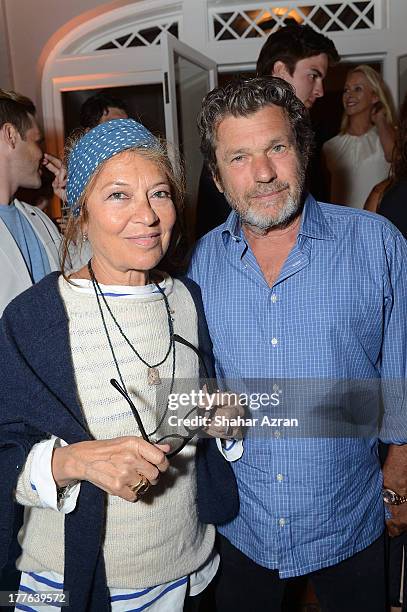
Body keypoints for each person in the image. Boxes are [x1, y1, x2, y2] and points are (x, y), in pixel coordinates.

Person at [188, 77, 407, 612]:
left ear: (303, 151)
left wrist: (398, 483)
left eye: (277, 148)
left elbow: (401, 373)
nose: (262, 173)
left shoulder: (376, 244)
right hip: (242, 527)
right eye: (239, 157)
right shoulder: (198, 263)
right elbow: (194, 388)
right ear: (217, 177)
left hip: (349, 519)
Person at [0, 119, 237, 611]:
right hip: (80, 581)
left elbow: (186, 411)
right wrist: (73, 461)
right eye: (118, 196)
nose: (148, 216)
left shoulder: (186, 299)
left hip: (189, 570)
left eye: (159, 194)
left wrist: (219, 421)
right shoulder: (35, 318)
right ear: (80, 213)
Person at [195, 23, 339, 238]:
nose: (320, 91)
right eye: (313, 75)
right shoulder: (223, 132)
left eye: (278, 148)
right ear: (281, 70)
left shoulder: (309, 136)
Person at [0, 89, 66, 316]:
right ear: (10, 135)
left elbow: (85, 275)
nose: (42, 154)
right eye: (37, 141)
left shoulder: (38, 220)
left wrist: (77, 203)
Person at [323, 64, 396, 209]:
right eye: (346, 89)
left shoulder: (388, 137)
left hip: (379, 225)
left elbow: (394, 156)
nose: (349, 95)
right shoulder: (330, 146)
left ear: (375, 96)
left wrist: (381, 120)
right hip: (342, 228)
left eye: (358, 89)